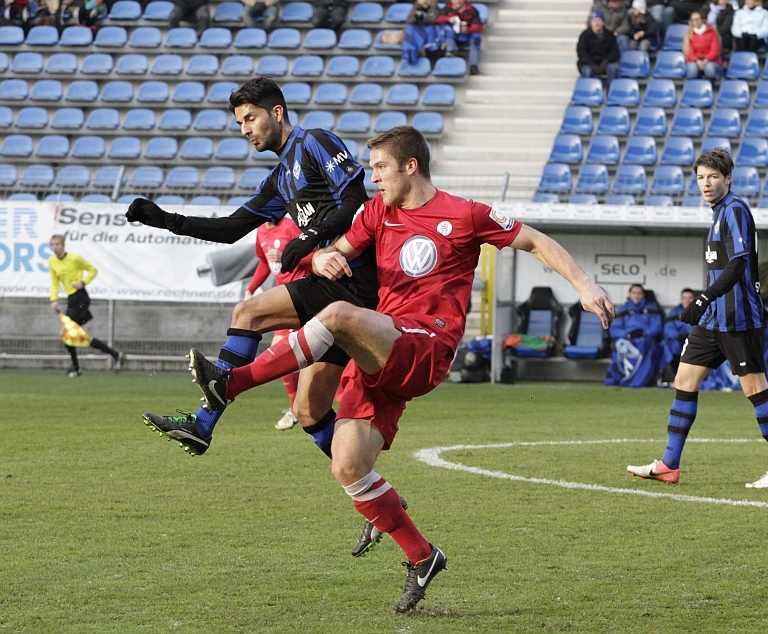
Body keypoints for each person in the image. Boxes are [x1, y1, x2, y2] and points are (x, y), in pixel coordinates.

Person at [183, 125, 615, 611]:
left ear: (411, 166)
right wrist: (325, 257)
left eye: (381, 168)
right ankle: (423, 556)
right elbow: (340, 251)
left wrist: (583, 284)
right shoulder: (376, 213)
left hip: (426, 345)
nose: (373, 178)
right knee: (348, 466)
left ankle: (231, 385)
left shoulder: (465, 214)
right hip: (383, 349)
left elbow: (533, 240)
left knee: (339, 317)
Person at [128, 77, 374, 464]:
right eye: (240, 123)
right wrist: (166, 219)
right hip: (335, 287)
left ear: (276, 113)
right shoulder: (279, 179)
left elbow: (357, 200)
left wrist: (310, 237)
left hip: (354, 279)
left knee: (247, 313)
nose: (245, 130)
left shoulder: (316, 142)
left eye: (249, 119)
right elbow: (230, 229)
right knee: (310, 410)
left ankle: (203, 423)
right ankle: (374, 492)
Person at [626, 149, 768, 489]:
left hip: (737, 318)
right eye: (701, 177)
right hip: (714, 320)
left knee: (755, 388)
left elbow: (738, 262)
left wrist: (703, 298)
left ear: (728, 178)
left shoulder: (734, 210)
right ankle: (669, 465)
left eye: (713, 177)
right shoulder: (718, 214)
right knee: (684, 381)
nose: (706, 183)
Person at [244, 216, 315, 430]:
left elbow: (313, 257)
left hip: (303, 296)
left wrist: (287, 256)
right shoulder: (261, 231)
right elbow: (265, 262)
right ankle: (296, 408)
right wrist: (251, 288)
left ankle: (305, 408)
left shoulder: (291, 226)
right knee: (282, 354)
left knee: (306, 358)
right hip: (284, 299)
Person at [47, 234, 125, 377]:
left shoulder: (75, 258)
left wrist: (82, 282)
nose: (55, 247)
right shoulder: (52, 262)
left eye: (57, 244)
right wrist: (54, 299)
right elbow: (54, 282)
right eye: (52, 245)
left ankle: (76, 368)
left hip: (81, 297)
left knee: (65, 332)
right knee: (85, 337)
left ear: (63, 245)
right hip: (72, 299)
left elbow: (93, 270)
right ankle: (116, 355)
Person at [606, 284, 663, 387]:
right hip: (627, 340)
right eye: (634, 293)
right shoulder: (622, 310)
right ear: (629, 294)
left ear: (643, 295)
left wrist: (644, 333)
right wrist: (627, 334)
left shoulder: (652, 309)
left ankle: (641, 381)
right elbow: (614, 329)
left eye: (639, 293)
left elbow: (657, 327)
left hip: (645, 339)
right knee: (619, 345)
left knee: (650, 346)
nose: (636, 295)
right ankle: (620, 379)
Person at [658, 288, 695, 384]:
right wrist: (678, 335)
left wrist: (690, 335)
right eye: (684, 298)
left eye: (690, 298)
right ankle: (671, 377)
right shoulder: (674, 313)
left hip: (695, 340)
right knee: (671, 346)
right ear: (681, 299)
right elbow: (668, 329)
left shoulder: (702, 311)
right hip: (678, 341)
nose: (687, 300)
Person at [436, 0, 482, 75]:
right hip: (452, 35)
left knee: (476, 37)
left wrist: (468, 29)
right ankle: (452, 52)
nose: (458, 1)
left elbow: (478, 26)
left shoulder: (472, 10)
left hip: (467, 35)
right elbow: (438, 20)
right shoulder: (446, 9)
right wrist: (449, 19)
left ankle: (474, 66)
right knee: (446, 29)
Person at [577, 10, 620, 80]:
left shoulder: (609, 35)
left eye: (599, 21)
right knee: (587, 71)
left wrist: (606, 61)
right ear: (591, 23)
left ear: (603, 22)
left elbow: (615, 52)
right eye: (594, 21)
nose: (597, 23)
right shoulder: (584, 35)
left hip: (605, 63)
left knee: (612, 68)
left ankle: (611, 90)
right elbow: (582, 53)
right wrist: (592, 64)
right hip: (589, 64)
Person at [402, 0, 446, 66]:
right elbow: (409, 20)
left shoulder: (434, 8)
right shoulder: (416, 7)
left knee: (429, 27)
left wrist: (422, 19)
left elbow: (433, 20)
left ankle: (424, 47)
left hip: (432, 32)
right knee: (410, 27)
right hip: (419, 30)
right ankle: (412, 50)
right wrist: (418, 7)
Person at [683, 11, 723, 79]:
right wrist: (697, 60)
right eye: (693, 20)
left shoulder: (712, 32)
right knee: (692, 69)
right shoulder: (689, 34)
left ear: (702, 20)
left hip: (711, 61)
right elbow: (688, 51)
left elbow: (715, 50)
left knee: (709, 68)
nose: (696, 22)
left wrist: (706, 60)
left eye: (698, 19)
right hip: (694, 61)